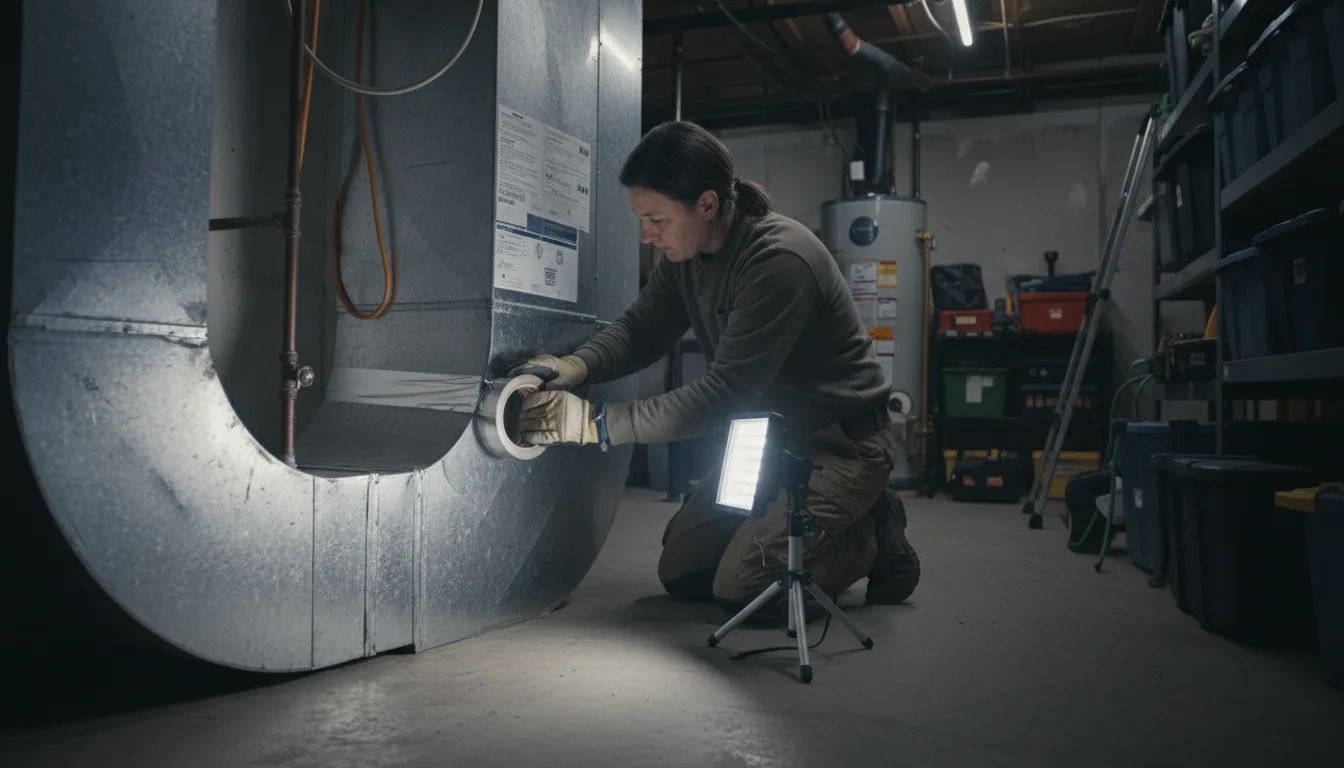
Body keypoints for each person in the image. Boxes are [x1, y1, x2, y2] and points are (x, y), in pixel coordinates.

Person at [510, 121, 920, 624]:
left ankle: (872, 531)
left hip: (838, 444)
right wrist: (576, 366)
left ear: (706, 204)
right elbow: (642, 330)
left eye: (657, 219)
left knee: (749, 591)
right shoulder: (688, 256)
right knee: (684, 574)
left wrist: (593, 424)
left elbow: (723, 393)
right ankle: (804, 526)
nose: (646, 235)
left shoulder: (777, 260)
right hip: (768, 441)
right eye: (642, 219)